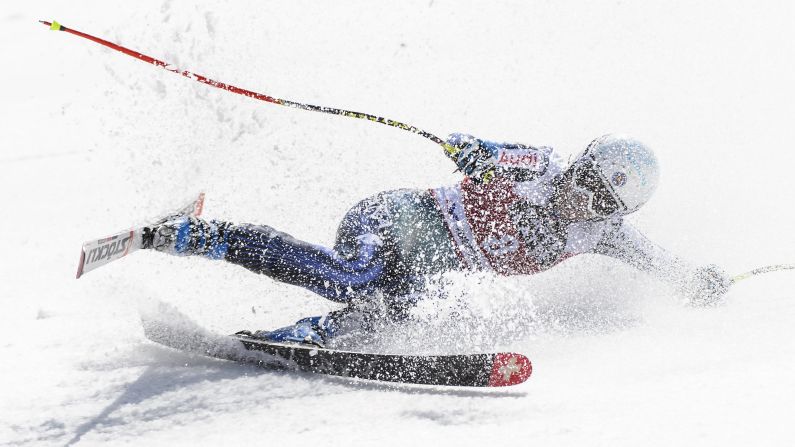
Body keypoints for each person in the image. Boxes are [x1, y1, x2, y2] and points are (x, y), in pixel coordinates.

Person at [142, 133, 731, 347]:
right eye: (584, 181)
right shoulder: (540, 167)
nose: (582, 198)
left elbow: (659, 261)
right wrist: (475, 153)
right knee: (353, 278)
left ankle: (295, 340)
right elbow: (496, 152)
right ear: (576, 166)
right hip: (395, 221)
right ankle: (195, 233)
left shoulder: (599, 232)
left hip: (424, 272)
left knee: (388, 317)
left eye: (600, 199)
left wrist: (697, 280)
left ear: (612, 212)